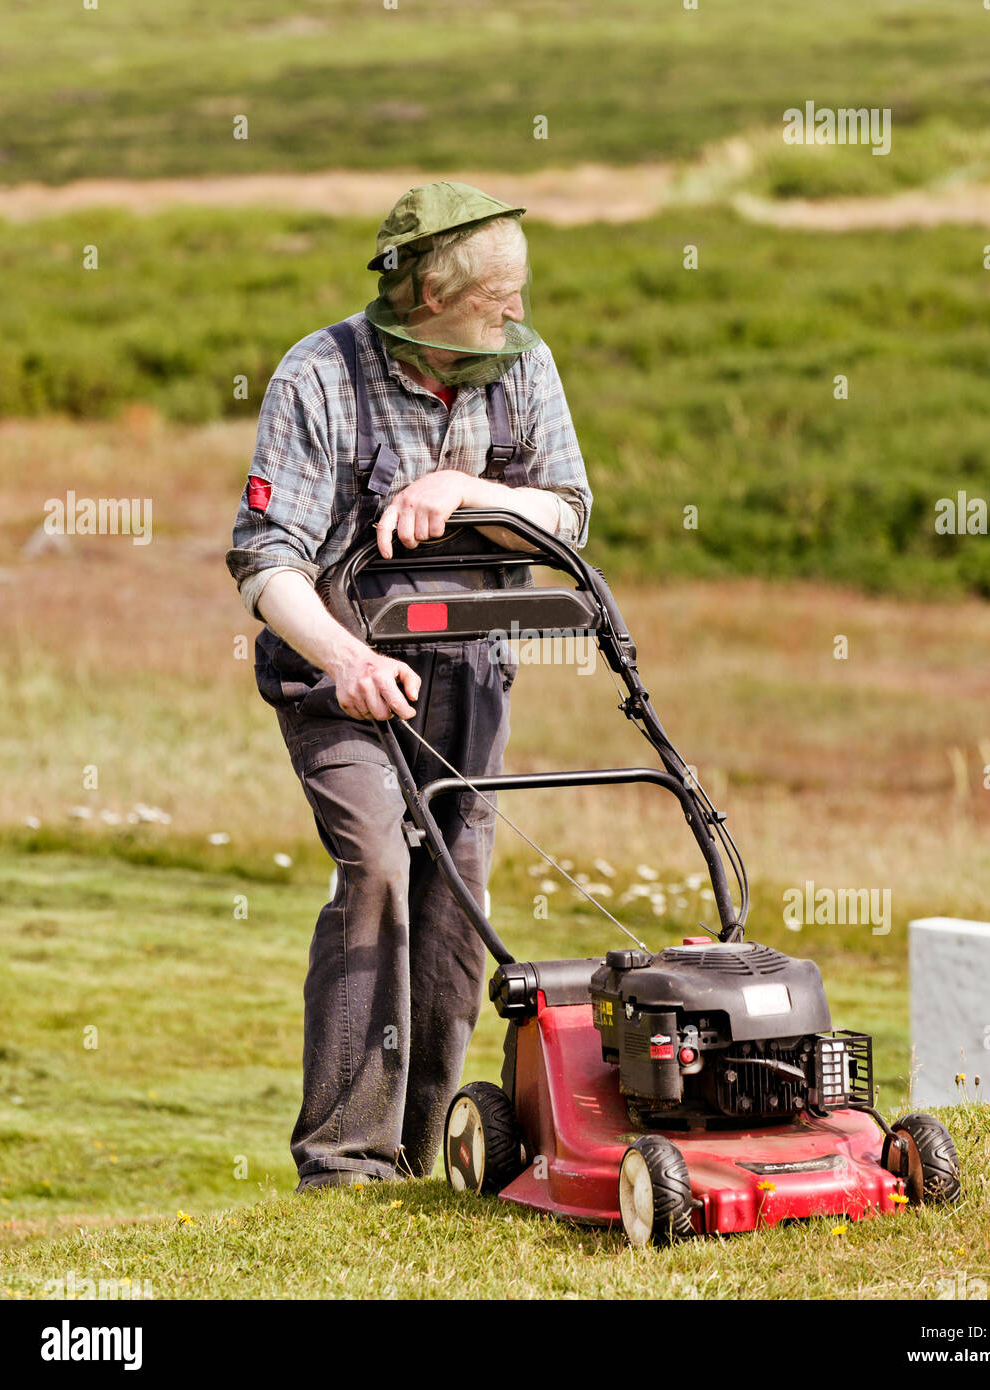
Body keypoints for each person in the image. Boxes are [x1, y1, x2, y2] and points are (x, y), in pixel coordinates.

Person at [225, 182, 592, 1190]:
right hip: (335, 674)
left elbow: (568, 513)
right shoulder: (320, 376)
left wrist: (467, 490)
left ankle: (421, 1154)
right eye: (496, 299)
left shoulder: (525, 366)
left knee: (456, 887)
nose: (516, 313)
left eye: (520, 294)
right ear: (430, 294)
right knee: (379, 865)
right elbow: (267, 563)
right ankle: (344, 1161)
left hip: (469, 670)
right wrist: (341, 658)